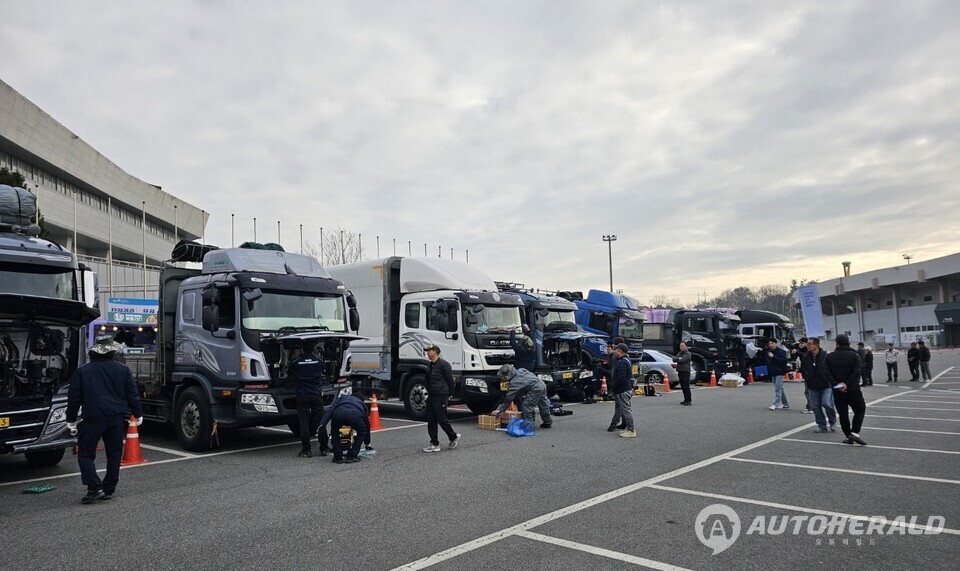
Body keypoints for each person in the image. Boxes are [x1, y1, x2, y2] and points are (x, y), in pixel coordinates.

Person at [65, 335, 143, 504]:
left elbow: (74, 398)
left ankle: (94, 487)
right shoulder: (123, 370)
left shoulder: (83, 371)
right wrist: (137, 414)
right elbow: (133, 394)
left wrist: (70, 419)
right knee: (114, 454)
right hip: (116, 417)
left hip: (92, 418)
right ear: (112, 351)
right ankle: (108, 489)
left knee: (86, 454)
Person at [288, 341, 330, 458]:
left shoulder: (296, 362)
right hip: (316, 395)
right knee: (320, 422)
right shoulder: (319, 361)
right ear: (314, 349)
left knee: (304, 423)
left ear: (302, 350)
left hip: (302, 395)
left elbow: (290, 373)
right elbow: (323, 372)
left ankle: (306, 450)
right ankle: (324, 448)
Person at [826, 335, 866, 446]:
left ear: (837, 343)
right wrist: (846, 383)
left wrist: (838, 384)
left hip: (838, 390)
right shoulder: (854, 355)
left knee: (843, 413)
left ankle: (848, 435)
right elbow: (857, 371)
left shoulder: (829, 357)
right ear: (848, 343)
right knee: (860, 409)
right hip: (853, 388)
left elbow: (827, 372)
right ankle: (855, 432)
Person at [421, 344, 461, 453]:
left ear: (435, 352)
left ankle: (453, 436)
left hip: (441, 395)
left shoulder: (444, 365)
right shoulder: (430, 365)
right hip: (432, 395)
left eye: (429, 351)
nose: (427, 353)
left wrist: (450, 393)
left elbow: (450, 380)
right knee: (431, 420)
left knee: (441, 418)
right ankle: (434, 443)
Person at [318, 388, 369, 464]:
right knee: (362, 431)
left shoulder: (342, 398)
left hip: (338, 414)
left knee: (334, 432)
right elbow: (367, 425)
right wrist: (367, 443)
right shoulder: (362, 404)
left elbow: (331, 409)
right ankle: (352, 456)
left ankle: (338, 457)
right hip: (354, 415)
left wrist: (322, 423)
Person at [800, 338, 837, 433]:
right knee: (815, 406)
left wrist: (830, 379)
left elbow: (832, 368)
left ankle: (833, 421)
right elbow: (803, 369)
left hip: (826, 384)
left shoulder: (825, 356)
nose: (808, 346)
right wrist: (807, 377)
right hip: (812, 385)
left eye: (810, 344)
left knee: (827, 404)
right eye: (807, 344)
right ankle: (821, 425)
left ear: (816, 345)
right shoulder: (806, 357)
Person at [607, 343, 636, 438]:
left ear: (620, 351)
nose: (614, 351)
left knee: (626, 411)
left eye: (616, 350)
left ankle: (631, 430)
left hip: (623, 390)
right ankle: (627, 428)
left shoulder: (623, 362)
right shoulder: (623, 360)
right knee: (624, 409)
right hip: (623, 389)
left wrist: (613, 386)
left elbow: (621, 378)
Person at [765, 338, 790, 410]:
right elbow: (767, 361)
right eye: (770, 343)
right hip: (773, 372)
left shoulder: (782, 352)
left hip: (780, 372)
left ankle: (776, 404)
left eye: (772, 343)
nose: (771, 345)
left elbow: (783, 361)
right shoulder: (768, 352)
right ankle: (786, 403)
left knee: (777, 388)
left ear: (776, 344)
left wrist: (773, 357)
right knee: (780, 388)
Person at [791, 338, 812, 413]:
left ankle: (811, 407)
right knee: (808, 391)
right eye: (799, 343)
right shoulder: (801, 350)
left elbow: (805, 356)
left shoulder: (809, 351)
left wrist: (797, 352)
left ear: (806, 343)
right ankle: (809, 406)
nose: (800, 344)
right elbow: (794, 358)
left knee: (808, 391)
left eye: (802, 343)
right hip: (805, 372)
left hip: (809, 373)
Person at [673, 342, 692, 406]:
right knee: (683, 386)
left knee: (686, 386)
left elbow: (682, 360)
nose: (681, 347)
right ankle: (685, 399)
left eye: (683, 346)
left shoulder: (688, 354)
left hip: (685, 371)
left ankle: (688, 400)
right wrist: (678, 358)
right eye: (680, 346)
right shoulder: (680, 353)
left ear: (686, 347)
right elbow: (674, 359)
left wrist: (678, 359)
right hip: (680, 371)